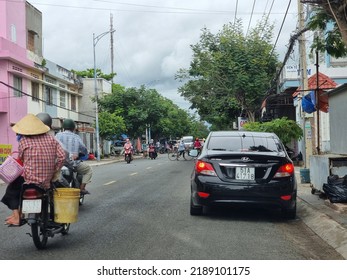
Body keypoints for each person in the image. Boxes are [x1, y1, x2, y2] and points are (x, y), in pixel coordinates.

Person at [1, 114, 66, 226]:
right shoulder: (52, 139)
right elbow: (62, 157)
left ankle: (17, 216)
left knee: (11, 190)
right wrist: (54, 170)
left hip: (29, 180)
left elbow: (21, 158)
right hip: (47, 179)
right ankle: (21, 214)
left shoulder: (24, 142)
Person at [55, 118, 92, 195]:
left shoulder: (57, 135)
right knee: (88, 170)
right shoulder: (76, 137)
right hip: (72, 163)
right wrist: (84, 153)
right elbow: (83, 149)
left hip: (59, 163)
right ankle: (82, 189)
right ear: (73, 128)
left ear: (63, 127)